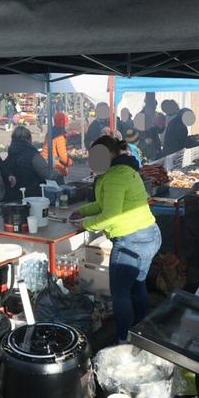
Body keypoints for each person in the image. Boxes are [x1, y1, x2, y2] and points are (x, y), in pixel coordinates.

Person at [70, 136, 161, 342]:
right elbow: (106, 204)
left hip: (131, 241)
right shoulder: (127, 169)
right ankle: (141, 332)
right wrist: (82, 211)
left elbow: (110, 216)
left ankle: (123, 341)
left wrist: (84, 224)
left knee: (120, 293)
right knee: (137, 285)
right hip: (149, 235)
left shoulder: (113, 176)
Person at [5, 126, 55, 199]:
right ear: (29, 138)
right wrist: (57, 172)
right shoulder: (33, 155)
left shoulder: (11, 154)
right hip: (33, 196)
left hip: (14, 196)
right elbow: (48, 174)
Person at [41, 112, 74, 178]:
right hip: (55, 167)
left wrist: (66, 148)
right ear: (63, 123)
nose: (67, 124)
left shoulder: (51, 131)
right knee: (60, 187)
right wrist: (71, 162)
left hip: (46, 161)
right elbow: (63, 158)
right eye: (66, 122)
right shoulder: (59, 136)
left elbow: (54, 147)